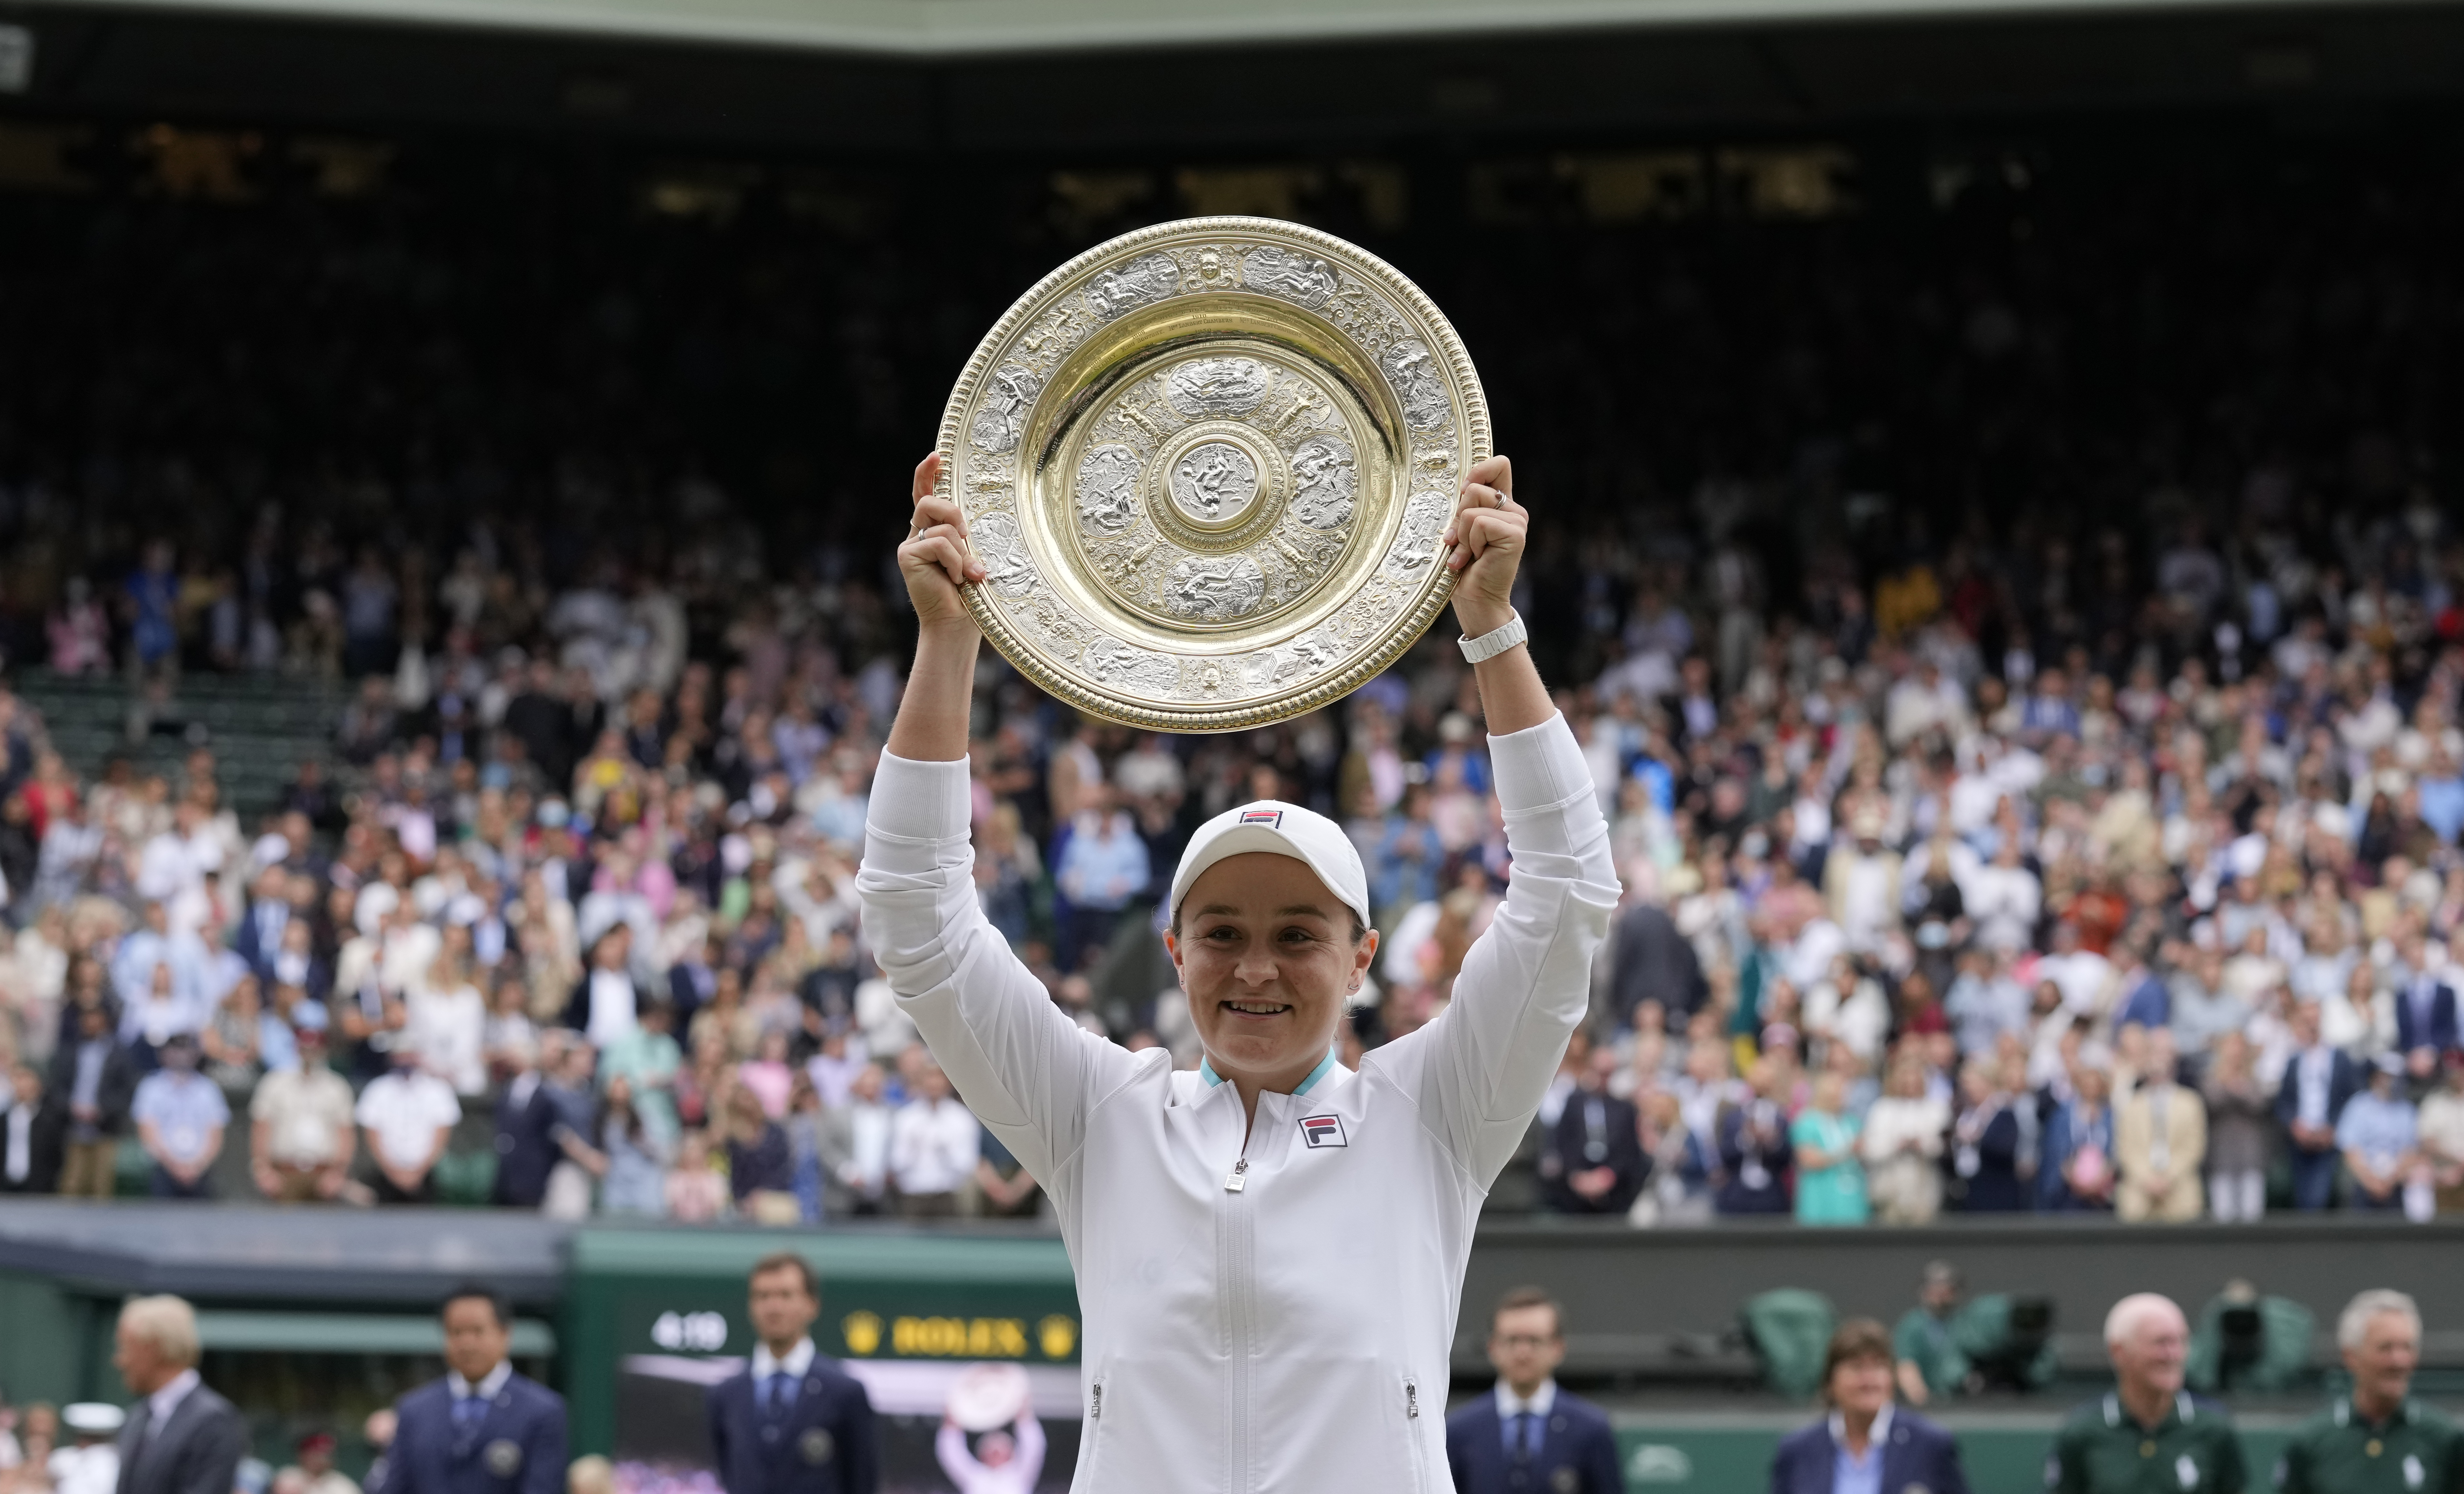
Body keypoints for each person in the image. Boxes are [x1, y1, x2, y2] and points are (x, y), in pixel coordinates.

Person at [858, 452, 1613, 1489]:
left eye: (1299, 934)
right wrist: (947, 642)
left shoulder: (1434, 1111)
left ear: (1361, 959)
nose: (1255, 967)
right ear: (1175, 952)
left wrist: (1490, 627)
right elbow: (917, 918)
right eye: (1221, 933)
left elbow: (1567, 891)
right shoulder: (1101, 1116)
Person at [705, 1253, 877, 1494]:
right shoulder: (726, 1395)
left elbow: (861, 1482)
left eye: (785, 1295)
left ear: (812, 1305)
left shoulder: (844, 1392)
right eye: (762, 1296)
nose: (773, 1307)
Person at [371, 1286, 564, 1494]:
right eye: (456, 1332)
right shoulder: (414, 1410)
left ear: (505, 1334)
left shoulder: (542, 1411)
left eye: (477, 1331)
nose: (466, 1343)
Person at [2046, 1294, 2244, 1493]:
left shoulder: (2214, 1429)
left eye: (2181, 1341)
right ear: (2119, 1352)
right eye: (2161, 1342)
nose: (2173, 1354)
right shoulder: (2082, 1432)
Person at [2277, 1290, 2462, 1493]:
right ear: (2351, 1357)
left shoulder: (2445, 1440)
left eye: (2407, 1348)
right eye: (2385, 1348)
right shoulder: (2312, 1442)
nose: (2399, 1361)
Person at [1444, 1288, 1622, 1494]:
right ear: (1492, 1347)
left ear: (1558, 1347)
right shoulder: (1460, 1430)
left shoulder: (1592, 1429)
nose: (1523, 1352)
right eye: (1512, 1340)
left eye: (1534, 1340)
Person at [1769, 1318, 1969, 1494]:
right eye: (1857, 1368)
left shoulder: (1931, 1444)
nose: (1869, 1380)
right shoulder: (1797, 1450)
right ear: (1830, 1382)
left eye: (1879, 1367)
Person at [110, 1296, 247, 1494]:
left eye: (126, 1347)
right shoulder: (136, 1418)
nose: (120, 1361)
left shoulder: (214, 1421)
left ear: (152, 1347)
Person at [249, 1026, 358, 1202]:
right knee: (282, 1227)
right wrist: (263, 1170)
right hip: (285, 1171)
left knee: (326, 1228)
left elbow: (345, 1133)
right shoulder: (275, 1082)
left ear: (323, 1050)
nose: (309, 1054)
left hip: (324, 1173)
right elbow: (262, 1128)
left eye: (314, 1049)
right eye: (305, 1049)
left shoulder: (337, 1086)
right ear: (296, 1048)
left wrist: (339, 1173)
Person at [1539, 1043, 1647, 1215]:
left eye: (1607, 1073)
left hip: (1614, 1194)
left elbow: (1630, 1151)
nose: (1602, 1078)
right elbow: (1562, 1142)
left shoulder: (1624, 1109)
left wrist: (1609, 1175)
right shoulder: (1574, 1103)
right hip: (1574, 1192)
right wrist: (1577, 1176)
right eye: (1598, 1072)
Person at [2275, 1003, 2360, 1212]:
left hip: (2328, 1138)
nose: (2311, 1026)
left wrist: (2333, 1128)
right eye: (2307, 1021)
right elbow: (2284, 1101)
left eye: (2314, 1021)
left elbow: (2351, 1098)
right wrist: (2295, 1126)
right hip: (2300, 1138)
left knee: (2317, 1197)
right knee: (2302, 1196)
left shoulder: (2339, 1058)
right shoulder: (2294, 1060)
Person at [2114, 1029, 2204, 1222]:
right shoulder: (2131, 1105)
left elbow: (2194, 1148)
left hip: (2179, 1188)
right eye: (2154, 1052)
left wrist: (2168, 1178)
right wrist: (2148, 1179)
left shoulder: (2191, 1103)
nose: (2159, 1060)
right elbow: (2125, 1150)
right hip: (2140, 1192)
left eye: (2165, 1053)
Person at [48, 1003, 134, 1199]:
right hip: (72, 1128)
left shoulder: (119, 1055)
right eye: (86, 1020)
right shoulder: (70, 1051)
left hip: (105, 1129)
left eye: (96, 1019)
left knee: (101, 1188)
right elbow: (57, 1087)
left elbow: (126, 1091)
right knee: (71, 1186)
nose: (91, 1024)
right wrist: (72, 1108)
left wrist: (102, 1110)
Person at [356, 1050, 463, 1205]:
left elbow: (442, 1135)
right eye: (401, 1053)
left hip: (426, 1177)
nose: (405, 1059)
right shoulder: (377, 1089)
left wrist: (419, 1173)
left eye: (409, 1053)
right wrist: (393, 1173)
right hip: (385, 1177)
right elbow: (372, 1135)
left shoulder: (438, 1089)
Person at [128, 1035, 226, 1199]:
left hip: (201, 1171)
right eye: (175, 1051)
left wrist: (196, 1167)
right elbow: (148, 1132)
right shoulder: (151, 1088)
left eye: (186, 1051)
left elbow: (216, 1135)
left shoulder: (208, 1090)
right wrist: (175, 1166)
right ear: (164, 1054)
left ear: (195, 1055)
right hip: (163, 1170)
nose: (181, 1057)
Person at [1893, 1262, 1969, 1407]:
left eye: (1947, 1291)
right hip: (1928, 1405)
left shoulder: (1966, 1322)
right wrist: (1926, 1404)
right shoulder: (1912, 1326)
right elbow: (1906, 1368)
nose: (1941, 1296)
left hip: (1967, 1404)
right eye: (1935, 1290)